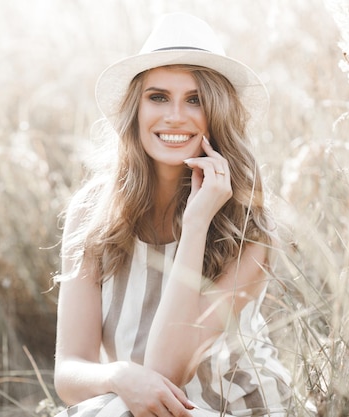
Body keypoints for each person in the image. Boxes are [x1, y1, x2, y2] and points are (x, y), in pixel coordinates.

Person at [53, 13, 293, 417]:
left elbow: (168, 370)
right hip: (129, 401)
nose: (175, 116)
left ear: (217, 113)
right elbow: (69, 371)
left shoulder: (249, 227)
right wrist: (119, 376)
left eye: (195, 99)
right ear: (136, 109)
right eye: (158, 97)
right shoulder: (93, 213)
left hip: (232, 407)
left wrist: (197, 223)